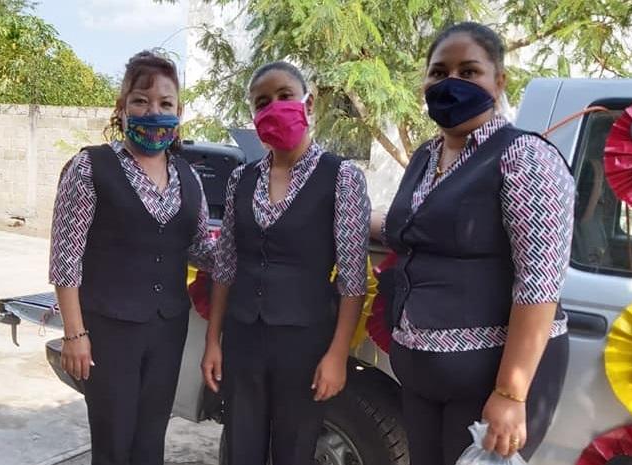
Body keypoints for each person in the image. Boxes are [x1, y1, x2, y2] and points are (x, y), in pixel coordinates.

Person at [371, 22, 575, 465]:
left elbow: (538, 284)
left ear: (499, 81)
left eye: (469, 72)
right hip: (423, 380)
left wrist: (510, 393)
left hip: (490, 384)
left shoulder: (524, 158)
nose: (451, 84)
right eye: (439, 72)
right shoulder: (426, 157)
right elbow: (414, 226)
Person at [49, 50, 214, 465]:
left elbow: (199, 248)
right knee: (112, 442)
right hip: (107, 331)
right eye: (141, 100)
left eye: (165, 103)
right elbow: (66, 257)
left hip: (166, 329)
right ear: (122, 107)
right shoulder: (91, 167)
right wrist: (75, 334)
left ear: (179, 113)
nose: (152, 111)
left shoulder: (188, 177)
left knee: (150, 439)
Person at [201, 61, 370, 465]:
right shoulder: (242, 178)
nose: (274, 107)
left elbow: (352, 278)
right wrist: (213, 341)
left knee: (295, 447)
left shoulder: (341, 177)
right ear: (254, 117)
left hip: (305, 343)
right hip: (244, 338)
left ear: (307, 103)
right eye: (262, 102)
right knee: (241, 444)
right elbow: (226, 266)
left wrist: (337, 355)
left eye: (284, 97)